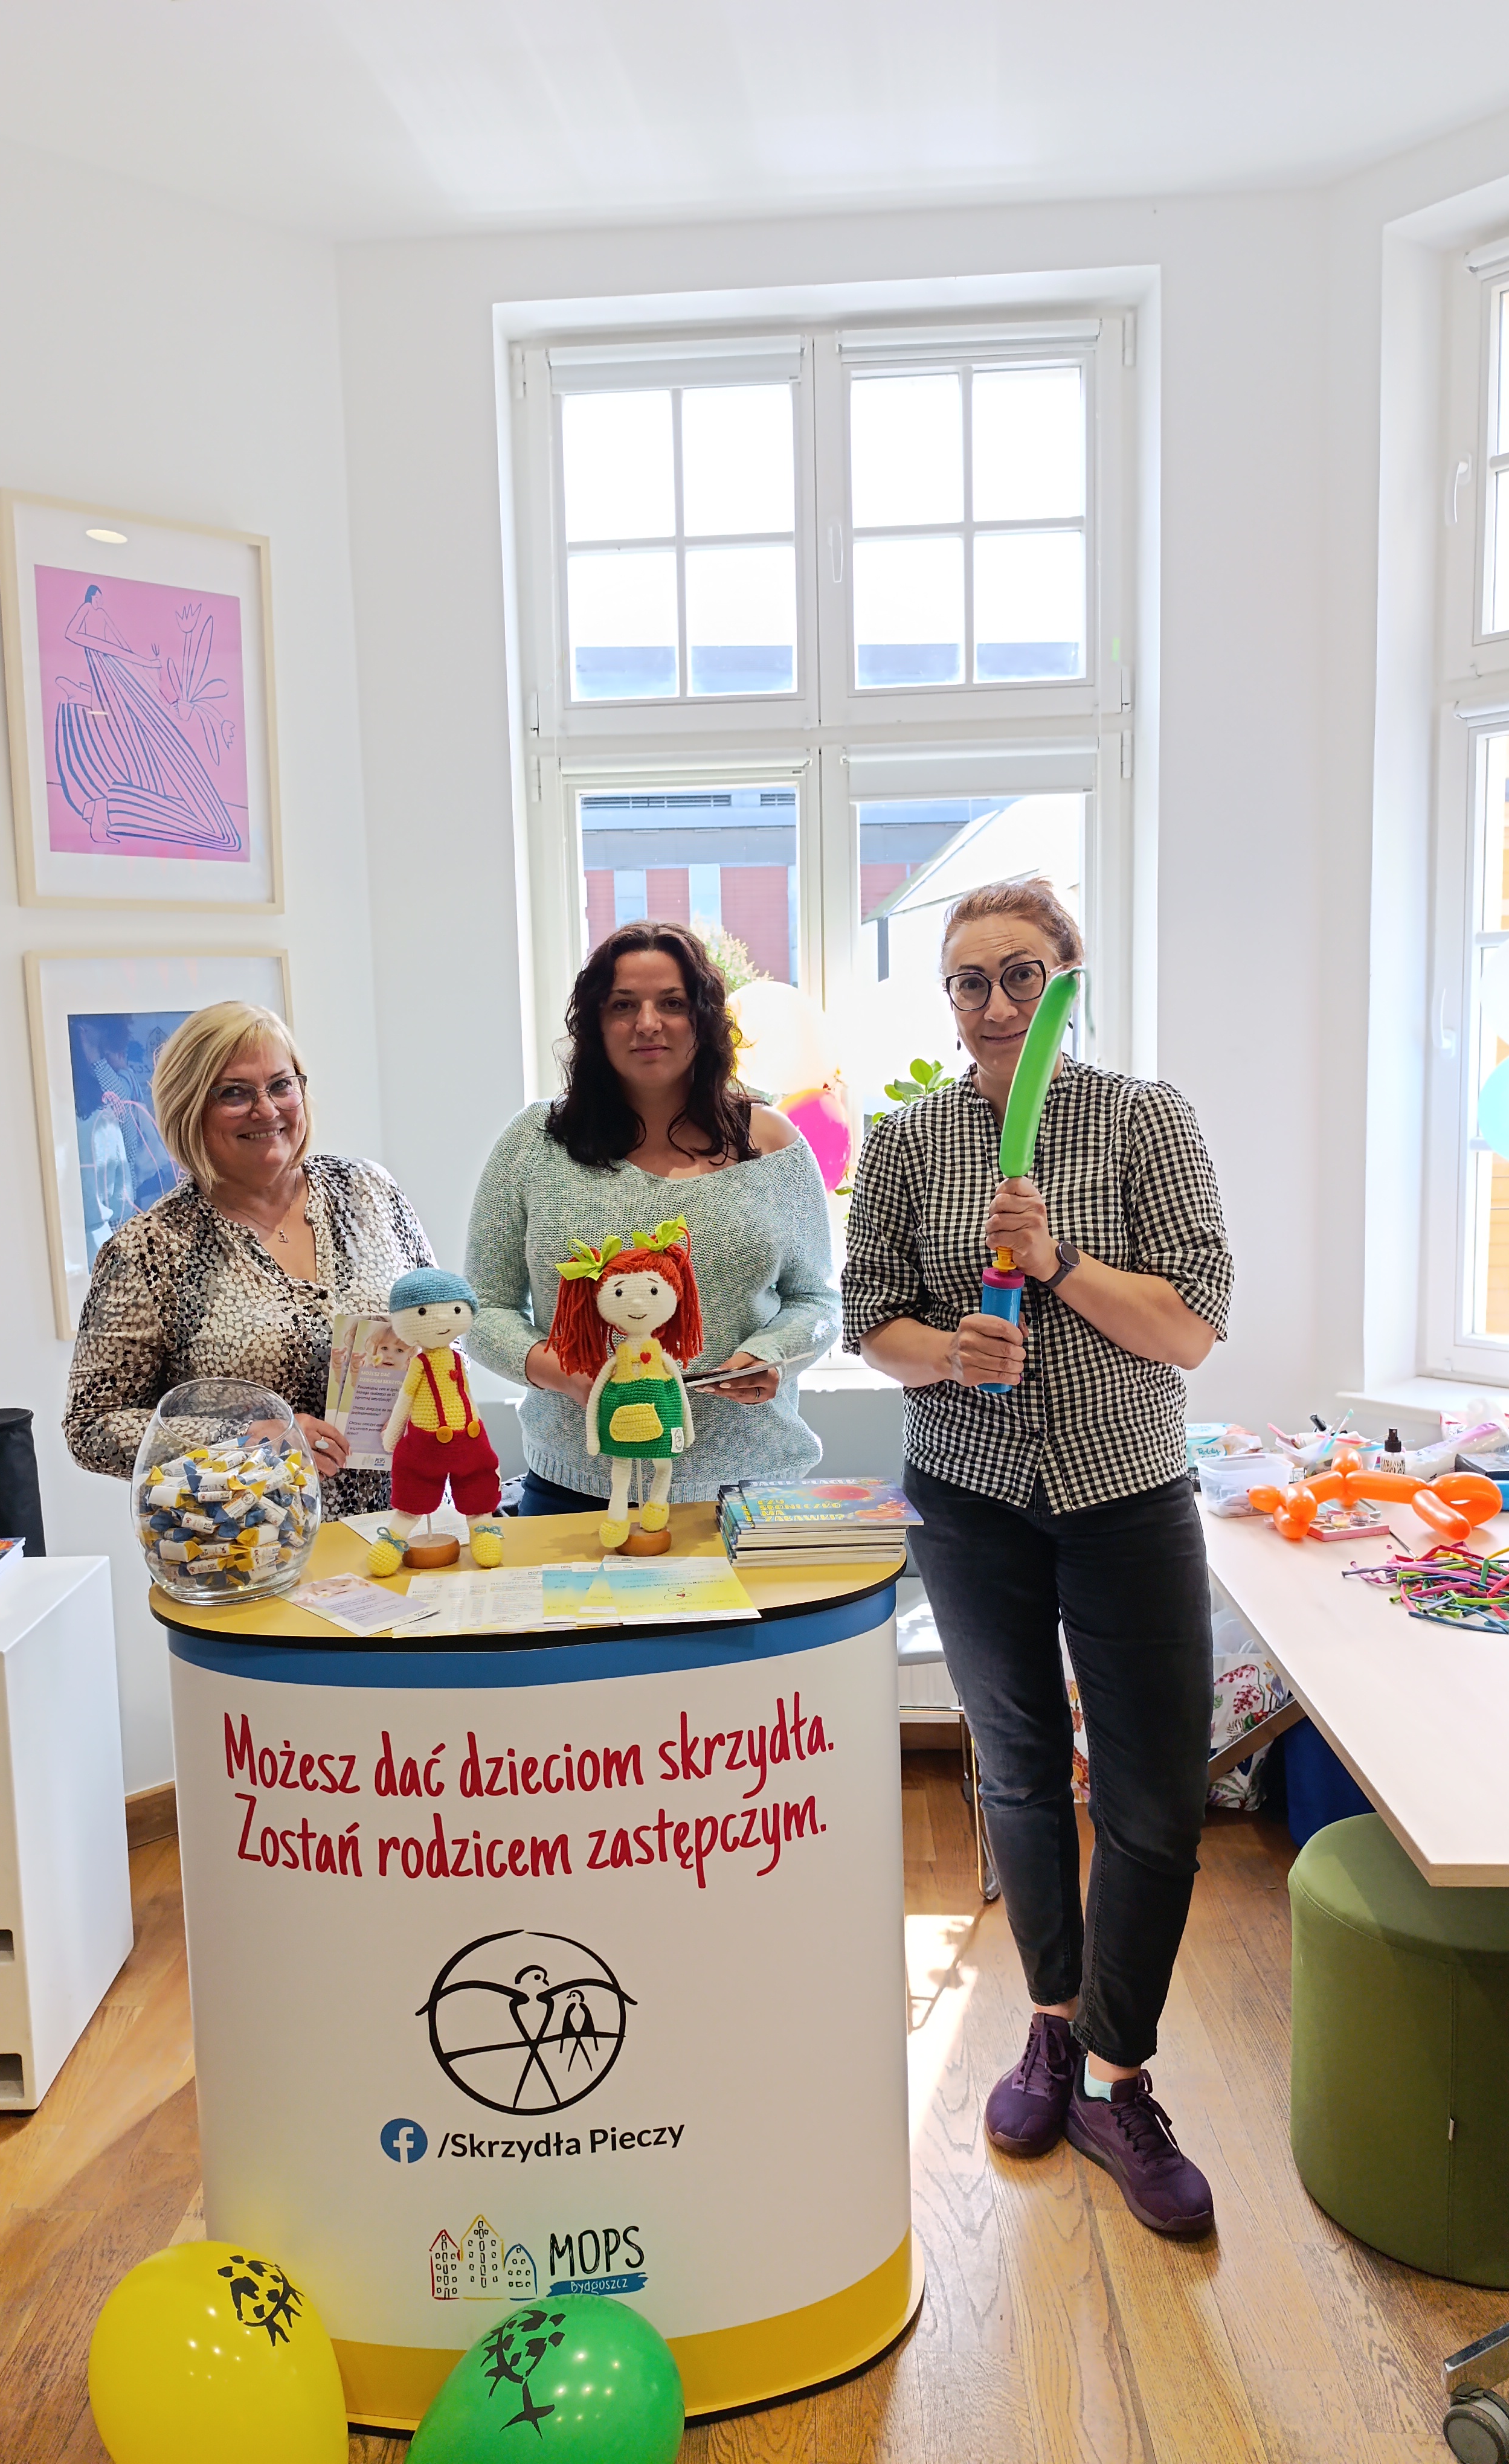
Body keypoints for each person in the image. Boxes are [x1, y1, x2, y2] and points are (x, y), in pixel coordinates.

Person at [842, 877, 1234, 2240]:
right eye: (969, 979)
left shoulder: (1143, 1118)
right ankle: (1051, 2026)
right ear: (946, 998)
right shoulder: (905, 1142)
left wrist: (1056, 1262)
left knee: (1153, 1797)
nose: (995, 1001)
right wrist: (947, 1352)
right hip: (970, 1500)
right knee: (1013, 1768)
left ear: (1067, 979)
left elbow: (1188, 1330)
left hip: (1127, 1494)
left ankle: (1121, 2077)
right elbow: (870, 1322)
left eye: (1022, 974)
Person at [465, 921, 838, 1510]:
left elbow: (816, 1300)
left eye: (672, 1003)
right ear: (594, 1022)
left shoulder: (771, 1143)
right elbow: (483, 1309)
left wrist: (776, 1354)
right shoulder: (533, 1143)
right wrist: (562, 1372)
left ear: (704, 1019)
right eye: (623, 1005)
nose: (647, 1023)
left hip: (747, 1488)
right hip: (576, 1487)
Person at [63, 1001, 434, 1521]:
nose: (267, 1109)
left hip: (406, 1525)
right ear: (189, 1108)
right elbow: (91, 1427)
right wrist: (242, 1437)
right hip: (248, 1543)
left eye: (281, 1085)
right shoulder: (149, 1251)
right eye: (235, 1094)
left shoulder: (368, 1190)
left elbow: (441, 1321)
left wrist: (439, 1382)